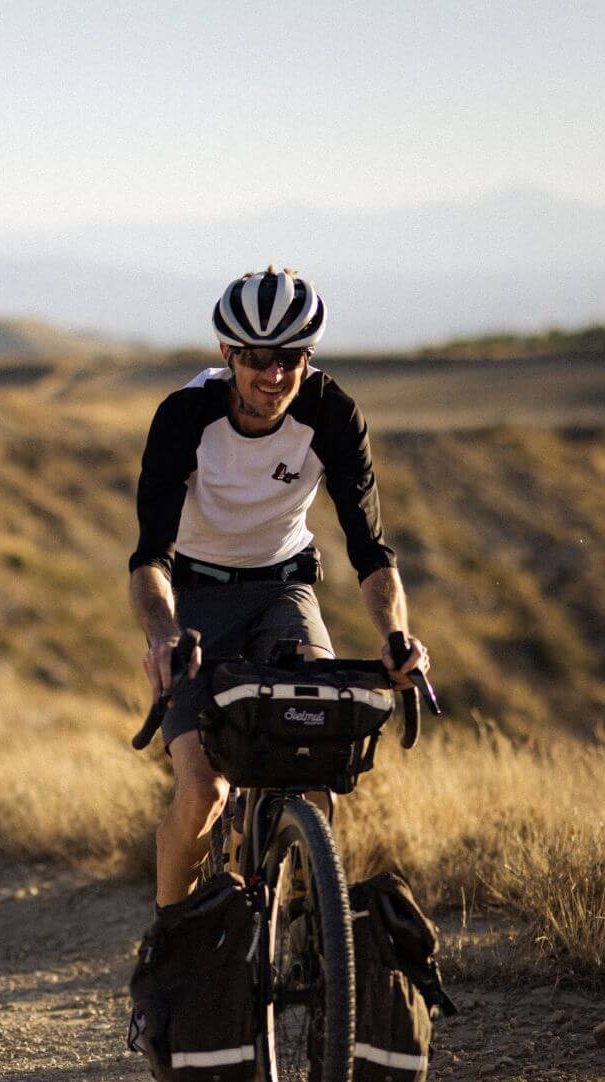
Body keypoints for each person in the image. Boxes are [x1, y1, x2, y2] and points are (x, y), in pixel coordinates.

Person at [128, 266, 428, 915]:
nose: (273, 374)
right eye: (256, 358)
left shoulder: (332, 414)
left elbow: (371, 550)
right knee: (204, 792)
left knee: (314, 756)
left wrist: (396, 637)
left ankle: (297, 935)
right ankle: (169, 943)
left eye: (289, 357)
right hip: (196, 599)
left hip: (284, 590)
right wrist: (164, 639)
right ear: (227, 354)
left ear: (307, 356)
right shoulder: (186, 416)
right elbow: (150, 558)